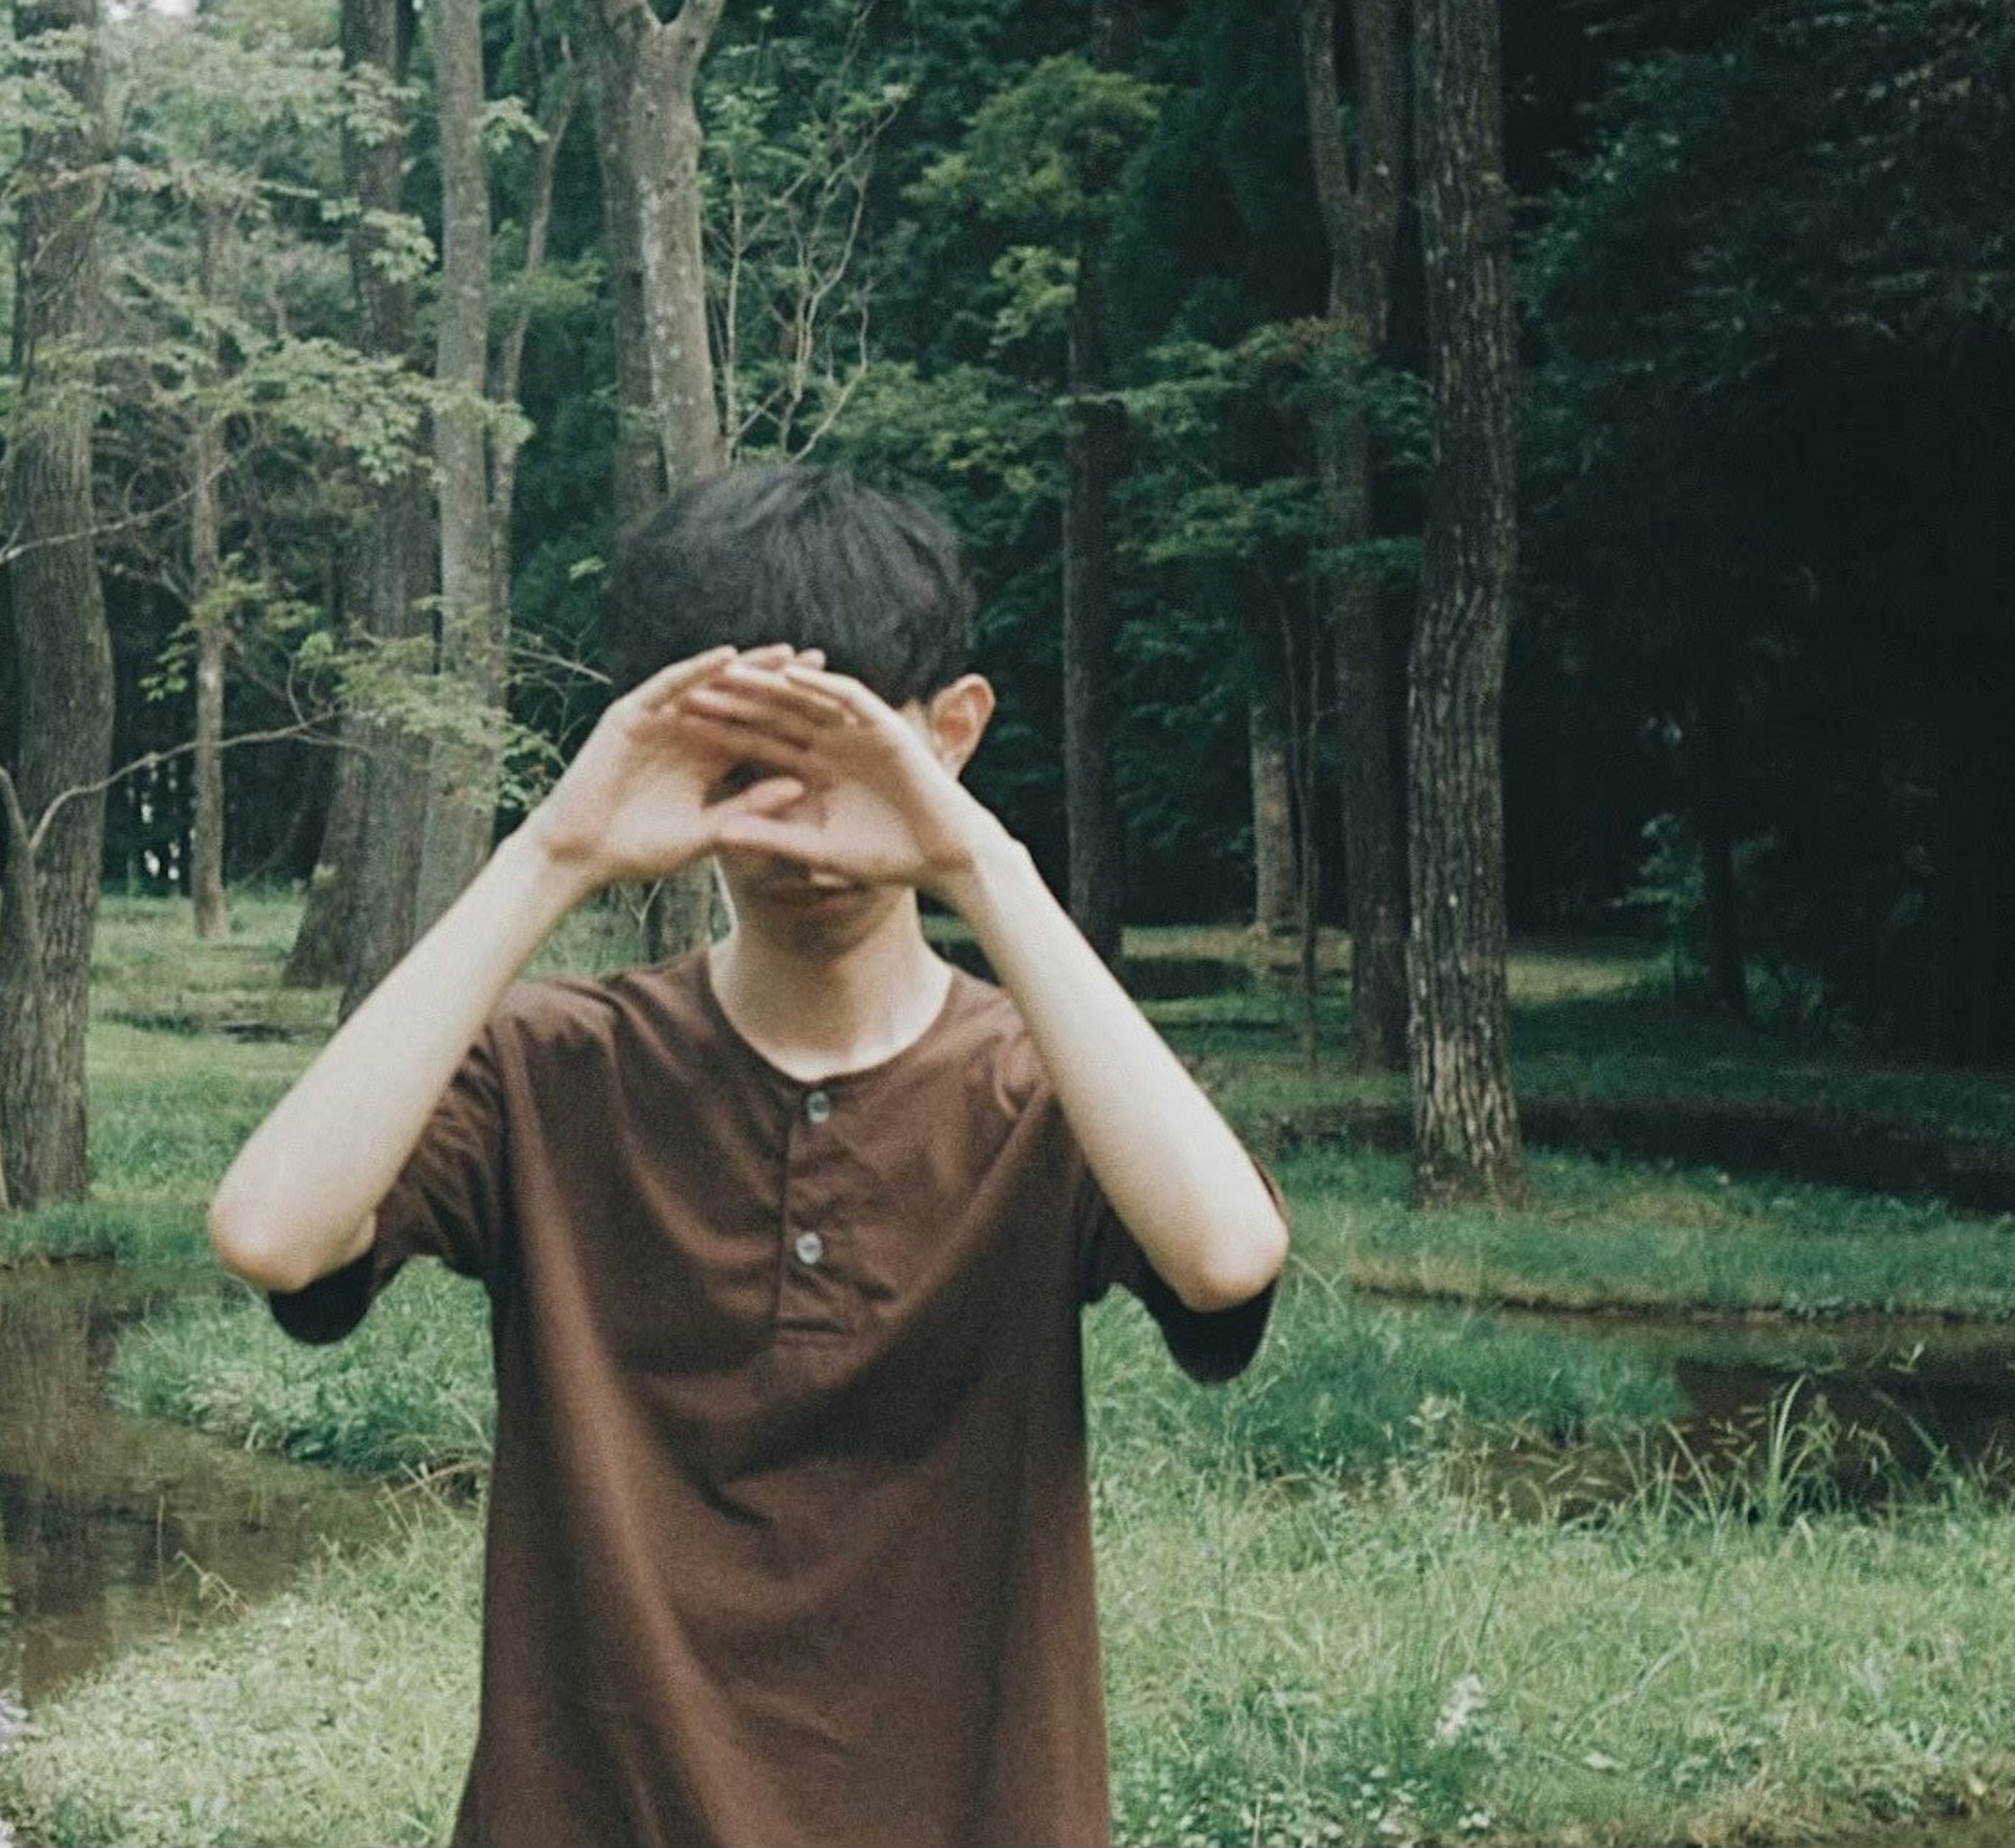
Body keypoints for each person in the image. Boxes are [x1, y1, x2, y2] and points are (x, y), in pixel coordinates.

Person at [208, 464, 1291, 1848]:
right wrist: (557, 847)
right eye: (750, 760)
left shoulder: (1045, 1084)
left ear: (953, 730)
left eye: (847, 750)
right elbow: (274, 1230)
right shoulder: (554, 1069)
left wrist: (978, 860)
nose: (803, 820)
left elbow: (1224, 1258)